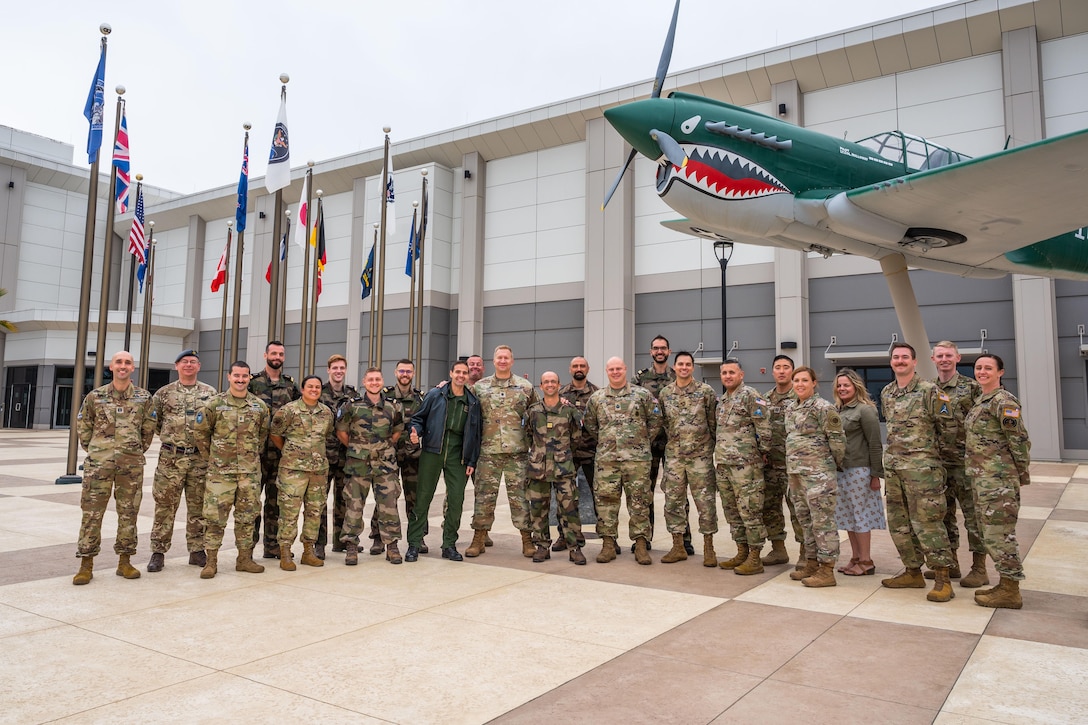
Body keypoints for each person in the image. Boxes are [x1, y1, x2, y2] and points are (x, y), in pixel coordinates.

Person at [880, 342, 956, 603]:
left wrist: (935, 463)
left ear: (914, 362)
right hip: (894, 469)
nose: (899, 361)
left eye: (904, 357)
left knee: (928, 523)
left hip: (923, 471)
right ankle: (912, 572)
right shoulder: (887, 392)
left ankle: (943, 578)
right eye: (895, 357)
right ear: (891, 362)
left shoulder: (930, 391)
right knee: (899, 523)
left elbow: (949, 430)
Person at [72, 350, 156, 585]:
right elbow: (84, 426)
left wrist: (134, 450)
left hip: (130, 466)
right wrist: (98, 450)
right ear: (111, 366)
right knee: (91, 514)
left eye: (127, 362)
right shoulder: (95, 396)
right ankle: (86, 564)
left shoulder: (143, 398)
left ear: (133, 368)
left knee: (129, 513)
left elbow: (148, 430)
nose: (123, 366)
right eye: (119, 362)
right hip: (99, 466)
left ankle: (125, 562)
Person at [194, 360, 271, 579]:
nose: (240, 380)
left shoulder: (259, 406)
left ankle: (244, 559)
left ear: (249, 378)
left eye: (244, 376)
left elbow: (262, 436)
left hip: (248, 474)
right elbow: (200, 434)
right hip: (220, 474)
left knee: (247, 517)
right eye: (236, 375)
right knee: (215, 519)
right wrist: (213, 459)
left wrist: (250, 458)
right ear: (229, 377)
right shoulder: (214, 404)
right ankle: (211, 561)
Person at [584, 356, 663, 565]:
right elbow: (591, 426)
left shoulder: (642, 395)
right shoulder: (597, 398)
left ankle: (640, 545)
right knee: (606, 503)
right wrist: (607, 442)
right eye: (612, 369)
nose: (616, 372)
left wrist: (642, 442)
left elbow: (655, 421)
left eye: (619, 368)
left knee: (639, 503)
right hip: (607, 460)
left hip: (637, 460)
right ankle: (608, 544)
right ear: (606, 371)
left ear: (625, 369)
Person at [966, 354, 1030, 609]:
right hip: (983, 478)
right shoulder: (982, 400)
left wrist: (1020, 472)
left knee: (1000, 534)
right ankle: (1005, 583)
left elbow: (1019, 440)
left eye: (988, 368)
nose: (982, 371)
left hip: (998, 479)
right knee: (991, 534)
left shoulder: (1004, 401)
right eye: (979, 367)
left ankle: (1011, 590)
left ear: (1000, 372)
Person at [146, 349, 217, 573]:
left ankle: (197, 551)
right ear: (176, 366)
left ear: (199, 366)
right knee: (165, 506)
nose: (188, 365)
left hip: (199, 458)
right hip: (171, 459)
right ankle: (158, 552)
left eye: (192, 362)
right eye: (184, 362)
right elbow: (154, 422)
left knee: (198, 507)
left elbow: (214, 423)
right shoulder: (163, 393)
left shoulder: (210, 393)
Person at [467, 345, 538, 557]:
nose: (503, 361)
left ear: (512, 361)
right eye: (499, 358)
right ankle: (478, 538)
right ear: (494, 360)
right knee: (483, 498)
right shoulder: (479, 387)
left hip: (518, 453)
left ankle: (527, 539)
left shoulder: (525, 387)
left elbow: (537, 415)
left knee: (520, 498)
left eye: (506, 358)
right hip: (488, 452)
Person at [407, 360, 482, 562]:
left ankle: (449, 544)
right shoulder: (435, 395)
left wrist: (471, 461)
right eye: (457, 371)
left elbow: (476, 434)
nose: (460, 375)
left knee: (456, 501)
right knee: (423, 498)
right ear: (451, 373)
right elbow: (418, 419)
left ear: (467, 376)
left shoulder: (472, 401)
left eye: (464, 373)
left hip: (458, 455)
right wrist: (415, 431)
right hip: (433, 451)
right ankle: (414, 543)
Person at [336, 368, 404, 565]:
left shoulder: (393, 407)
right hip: (358, 465)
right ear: (364, 382)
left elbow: (397, 431)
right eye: (371, 379)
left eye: (378, 379)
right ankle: (351, 546)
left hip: (386, 465)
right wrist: (357, 448)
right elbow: (341, 431)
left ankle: (391, 545)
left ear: (382, 381)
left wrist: (382, 447)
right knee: (354, 506)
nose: (374, 382)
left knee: (389, 505)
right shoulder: (352, 406)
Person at [786, 367, 846, 587]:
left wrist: (828, 467)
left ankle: (827, 569)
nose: (800, 384)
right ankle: (811, 563)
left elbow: (838, 441)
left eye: (804, 380)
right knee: (805, 521)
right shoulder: (791, 407)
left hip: (818, 475)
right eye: (796, 380)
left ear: (814, 383)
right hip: (796, 474)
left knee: (822, 522)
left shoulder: (823, 408)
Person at [658, 351, 719, 567]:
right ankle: (678, 546)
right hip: (675, 457)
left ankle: (708, 547)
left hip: (700, 457)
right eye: (680, 364)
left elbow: (713, 423)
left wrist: (710, 450)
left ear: (693, 367)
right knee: (673, 502)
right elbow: (662, 422)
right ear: (674, 367)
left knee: (705, 503)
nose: (684, 367)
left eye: (688, 364)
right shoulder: (665, 393)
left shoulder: (705, 392)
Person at [931, 341, 985, 585]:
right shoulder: (928, 389)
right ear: (933, 359)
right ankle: (950, 564)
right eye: (940, 355)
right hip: (938, 464)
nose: (944, 359)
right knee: (943, 516)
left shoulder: (972, 388)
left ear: (958, 358)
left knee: (973, 516)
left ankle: (979, 568)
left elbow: (983, 423)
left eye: (948, 355)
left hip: (965, 464)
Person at [714, 359, 772, 575]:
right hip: (724, 465)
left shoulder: (750, 396)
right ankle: (742, 551)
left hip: (746, 466)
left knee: (750, 510)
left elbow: (764, 429)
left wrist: (761, 454)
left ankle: (755, 557)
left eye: (732, 372)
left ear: (741, 374)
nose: (727, 376)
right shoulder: (722, 401)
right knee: (732, 512)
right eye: (724, 373)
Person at [271, 375, 334, 571]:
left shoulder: (326, 413)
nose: (314, 390)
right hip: (293, 471)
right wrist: (290, 454)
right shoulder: (289, 410)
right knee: (289, 512)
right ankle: (285, 552)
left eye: (317, 387)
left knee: (314, 511)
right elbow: (275, 434)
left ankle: (308, 551)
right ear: (303, 389)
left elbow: (327, 435)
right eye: (310, 386)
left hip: (318, 471)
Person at [525, 371, 586, 564]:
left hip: (564, 468)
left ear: (559, 385)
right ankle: (542, 546)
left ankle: (574, 548)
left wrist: (564, 454)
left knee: (569, 509)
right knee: (538, 509)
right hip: (538, 469)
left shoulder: (570, 411)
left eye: (553, 381)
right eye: (546, 382)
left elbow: (576, 438)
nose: (550, 384)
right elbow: (528, 436)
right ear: (541, 386)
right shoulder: (533, 411)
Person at [248, 340, 300, 558]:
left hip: (280, 455)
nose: (277, 357)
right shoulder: (253, 383)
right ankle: (247, 548)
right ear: (265, 355)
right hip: (255, 455)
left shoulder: (290, 386)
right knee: (251, 503)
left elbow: (299, 413)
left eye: (281, 353)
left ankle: (272, 546)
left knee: (275, 503)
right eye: (274, 353)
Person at [832, 369, 886, 577]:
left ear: (856, 386)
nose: (842, 388)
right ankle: (855, 557)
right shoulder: (838, 410)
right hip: (841, 471)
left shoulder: (865, 410)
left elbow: (875, 444)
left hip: (859, 470)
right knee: (847, 516)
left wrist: (875, 475)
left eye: (846, 385)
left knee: (860, 515)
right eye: (839, 385)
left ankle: (866, 560)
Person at [634, 335, 683, 552]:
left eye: (663, 348)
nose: (659, 351)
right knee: (645, 493)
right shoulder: (641, 379)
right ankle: (644, 539)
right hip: (649, 444)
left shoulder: (678, 376)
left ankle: (683, 540)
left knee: (677, 492)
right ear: (651, 351)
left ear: (669, 352)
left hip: (674, 444)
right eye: (656, 348)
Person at [373, 359, 426, 554]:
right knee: (386, 495)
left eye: (408, 371)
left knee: (415, 497)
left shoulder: (421, 398)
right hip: (390, 455)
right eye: (402, 371)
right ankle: (378, 537)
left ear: (413, 373)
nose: (405, 374)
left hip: (413, 455)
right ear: (396, 372)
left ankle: (417, 537)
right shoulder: (384, 396)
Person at [762, 354, 805, 568]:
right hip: (770, 465)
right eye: (777, 367)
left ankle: (806, 553)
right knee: (770, 508)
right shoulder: (764, 398)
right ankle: (778, 549)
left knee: (798, 509)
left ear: (792, 371)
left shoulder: (801, 397)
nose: (781, 371)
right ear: (772, 371)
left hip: (794, 466)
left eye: (786, 367)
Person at [556, 356, 599, 552]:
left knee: (601, 496)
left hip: (592, 452)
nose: (579, 368)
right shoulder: (561, 393)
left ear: (588, 369)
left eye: (582, 365)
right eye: (575, 366)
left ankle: (608, 538)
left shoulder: (597, 393)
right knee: (565, 497)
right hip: (569, 455)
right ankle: (564, 536)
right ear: (570, 369)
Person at [318, 354, 357, 558]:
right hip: (322, 455)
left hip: (345, 455)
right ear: (329, 370)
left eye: (342, 368)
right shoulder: (319, 392)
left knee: (344, 500)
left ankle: (341, 541)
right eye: (335, 368)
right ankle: (319, 544)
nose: (338, 371)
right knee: (319, 501)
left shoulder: (352, 394)